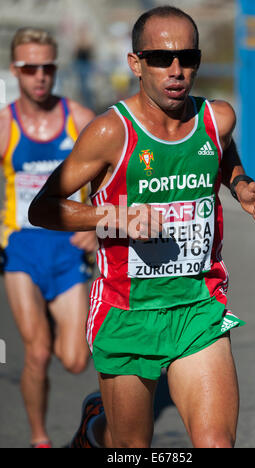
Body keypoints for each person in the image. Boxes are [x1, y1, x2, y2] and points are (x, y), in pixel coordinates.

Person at [29, 6, 255, 448]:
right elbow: (43, 208)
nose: (177, 70)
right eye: (161, 59)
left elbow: (223, 152)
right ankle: (94, 428)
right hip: (127, 311)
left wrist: (238, 183)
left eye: (188, 57)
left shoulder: (217, 119)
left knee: (217, 444)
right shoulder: (110, 133)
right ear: (136, 63)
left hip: (198, 305)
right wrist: (114, 216)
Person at [0, 27, 97, 448]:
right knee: (36, 352)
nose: (39, 76)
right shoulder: (5, 124)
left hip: (67, 246)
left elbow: (113, 181)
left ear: (56, 68)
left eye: (47, 67)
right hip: (20, 247)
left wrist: (97, 227)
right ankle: (39, 438)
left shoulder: (79, 118)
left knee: (75, 361)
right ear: (14, 70)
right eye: (29, 68)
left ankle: (92, 410)